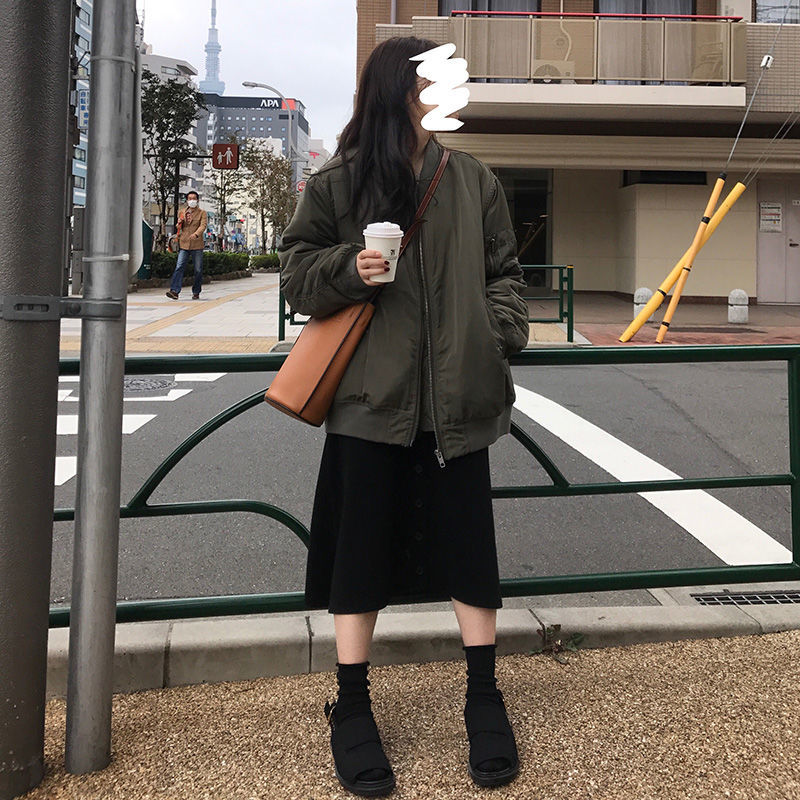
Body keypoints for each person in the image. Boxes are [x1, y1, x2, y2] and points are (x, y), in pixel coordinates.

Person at [278, 36, 530, 797]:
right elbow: (296, 274)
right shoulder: (341, 182)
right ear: (400, 90)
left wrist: (494, 336)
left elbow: (506, 275)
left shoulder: (473, 179)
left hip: (460, 402)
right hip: (368, 404)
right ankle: (352, 705)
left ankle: (483, 694)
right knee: (359, 557)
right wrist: (348, 268)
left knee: (470, 553)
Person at [166, 190, 207, 300]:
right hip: (184, 243)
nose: (192, 200)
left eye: (194, 198)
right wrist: (179, 223)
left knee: (198, 269)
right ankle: (174, 291)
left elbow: (203, 226)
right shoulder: (182, 212)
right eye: (190, 199)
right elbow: (179, 226)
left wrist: (196, 234)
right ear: (187, 200)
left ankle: (196, 291)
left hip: (197, 244)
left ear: (197, 200)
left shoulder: (202, 213)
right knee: (179, 266)